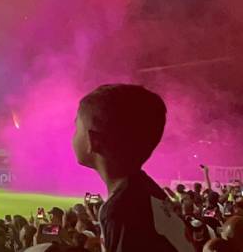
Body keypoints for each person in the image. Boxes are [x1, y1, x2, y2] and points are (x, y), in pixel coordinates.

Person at [73, 83, 192, 252]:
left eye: (76, 128)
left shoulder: (123, 211)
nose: (73, 135)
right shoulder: (145, 192)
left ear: (94, 141)